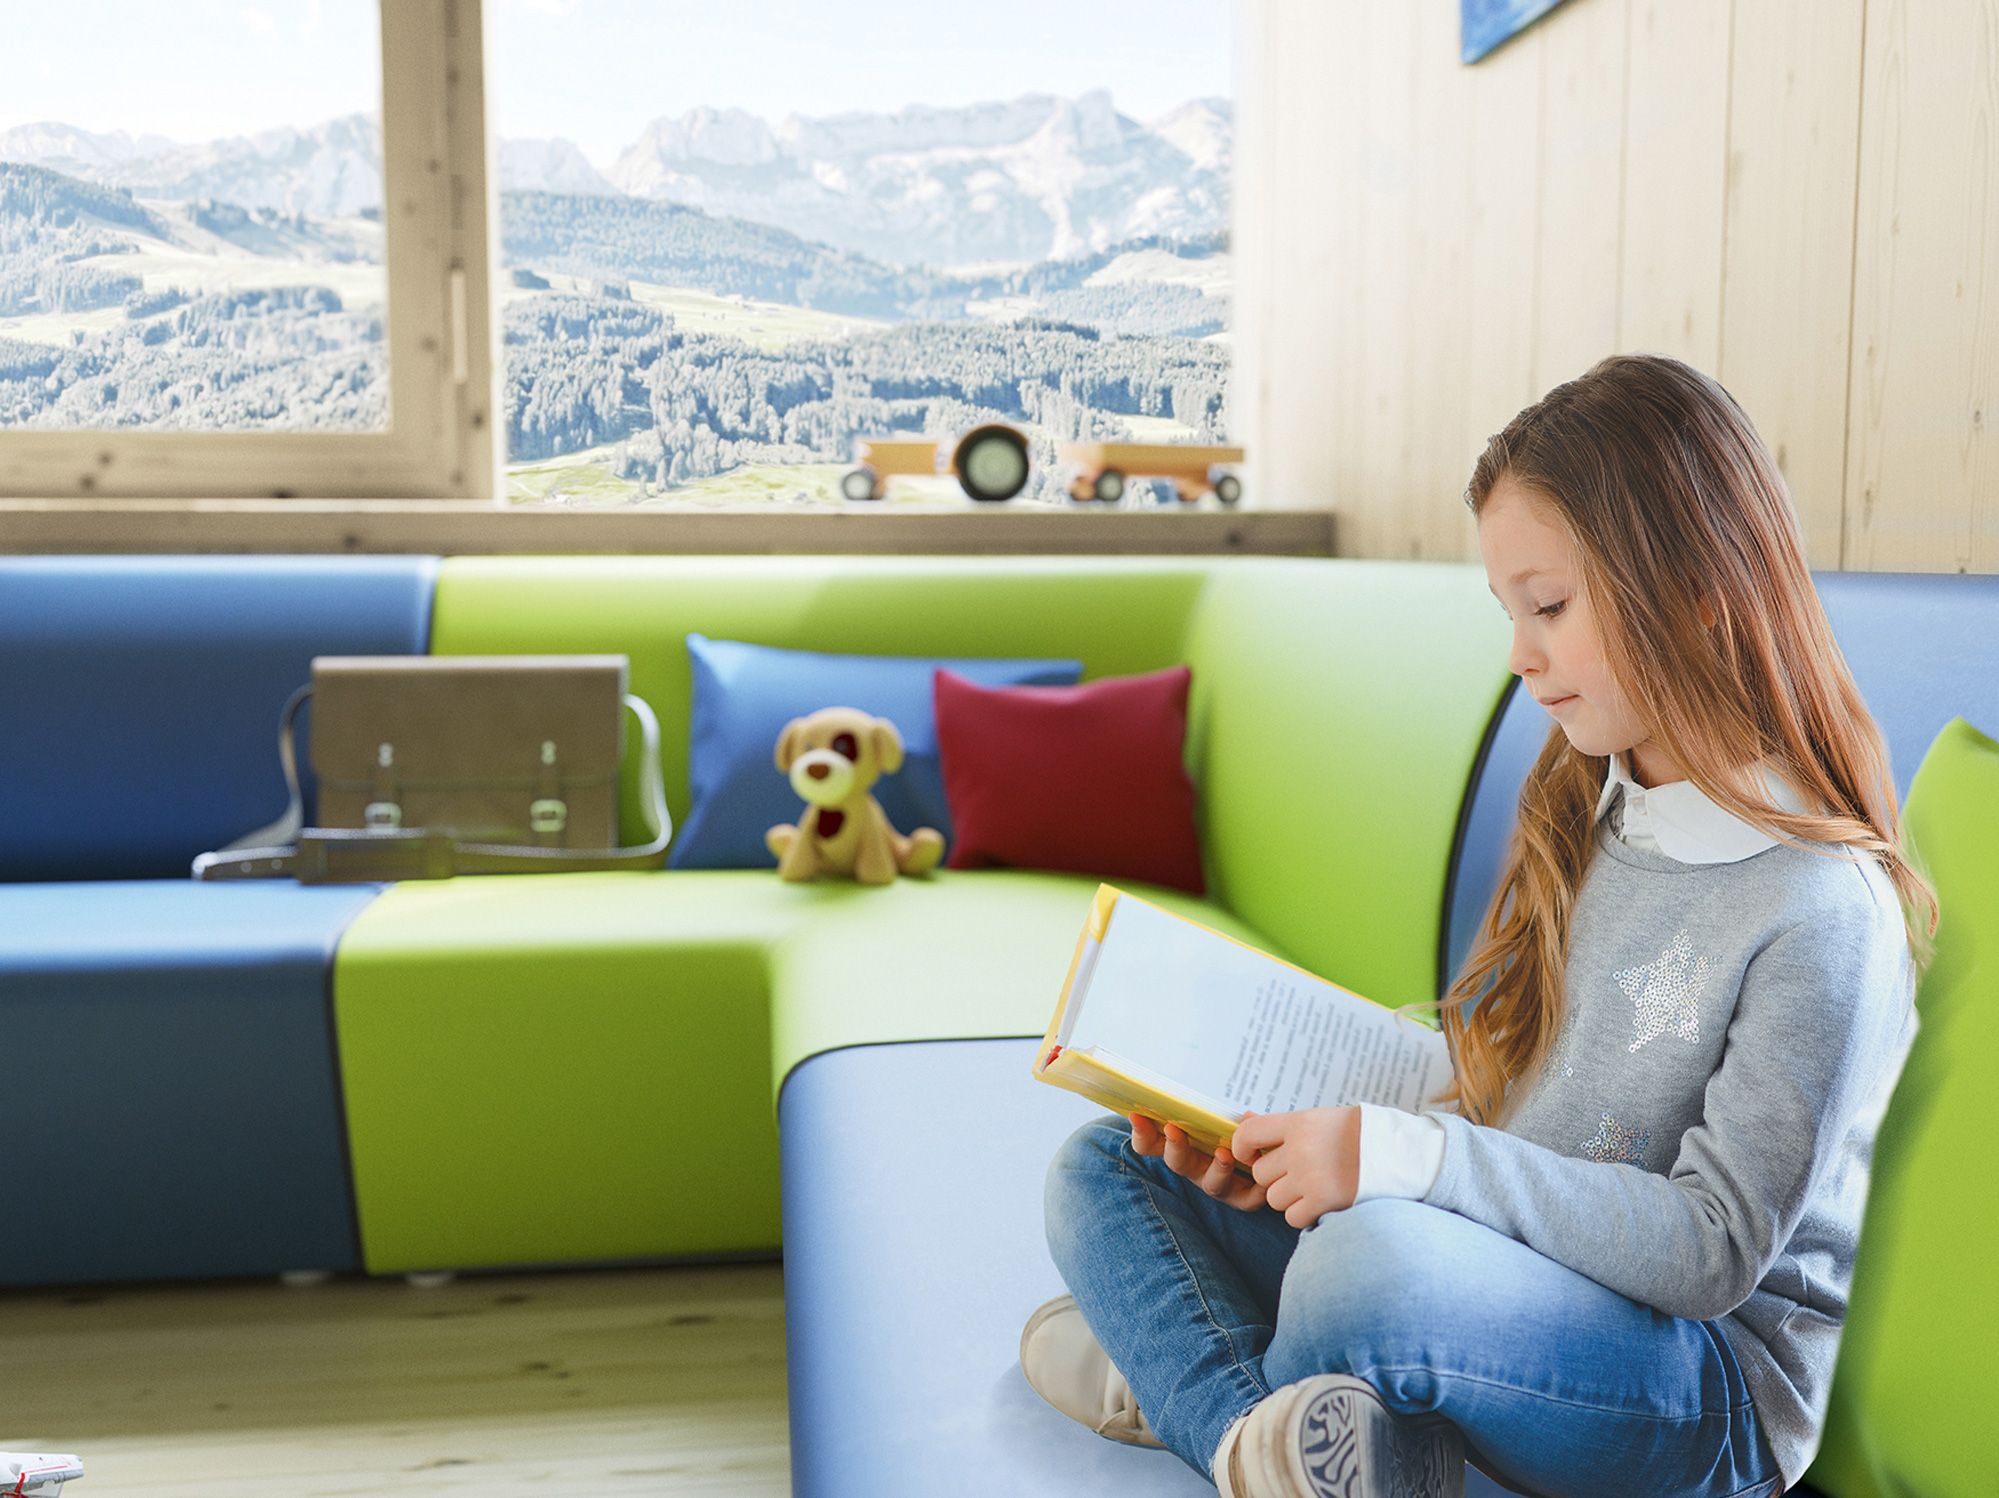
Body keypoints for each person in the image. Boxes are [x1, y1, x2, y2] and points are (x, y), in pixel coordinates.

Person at [1021, 353, 1939, 1498]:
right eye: (1509, 612)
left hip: (1694, 1392)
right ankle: (1248, 1436)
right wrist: (1310, 1137)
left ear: (1698, 593)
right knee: (1104, 1164)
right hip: (1509, 1269)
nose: (1519, 655)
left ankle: (1177, 1385)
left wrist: (1402, 1162)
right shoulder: (1607, 803)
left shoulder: (1816, 906)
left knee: (1361, 1266)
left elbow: (1708, 1250)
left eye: (1548, 607)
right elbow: (1524, 1105)